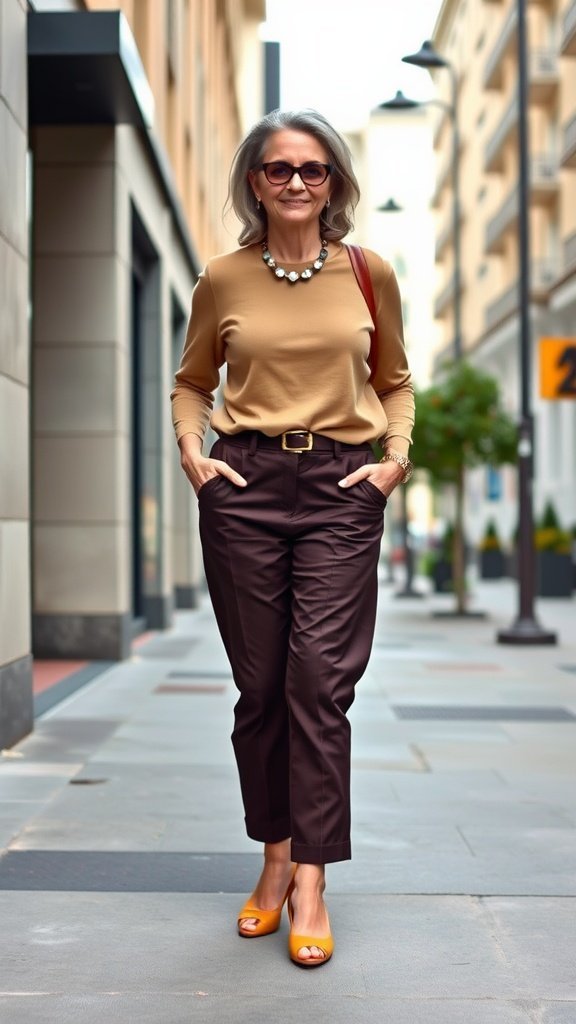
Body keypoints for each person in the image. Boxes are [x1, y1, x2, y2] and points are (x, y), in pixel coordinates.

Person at [171, 109, 414, 968]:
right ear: (255, 182)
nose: (299, 183)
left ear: (336, 183)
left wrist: (393, 462)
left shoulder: (367, 272)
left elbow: (395, 382)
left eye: (315, 170)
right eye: (280, 170)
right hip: (245, 487)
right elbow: (193, 381)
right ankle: (272, 857)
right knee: (261, 686)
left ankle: (310, 877)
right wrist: (196, 459)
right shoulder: (223, 279)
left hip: (343, 491)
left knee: (320, 681)